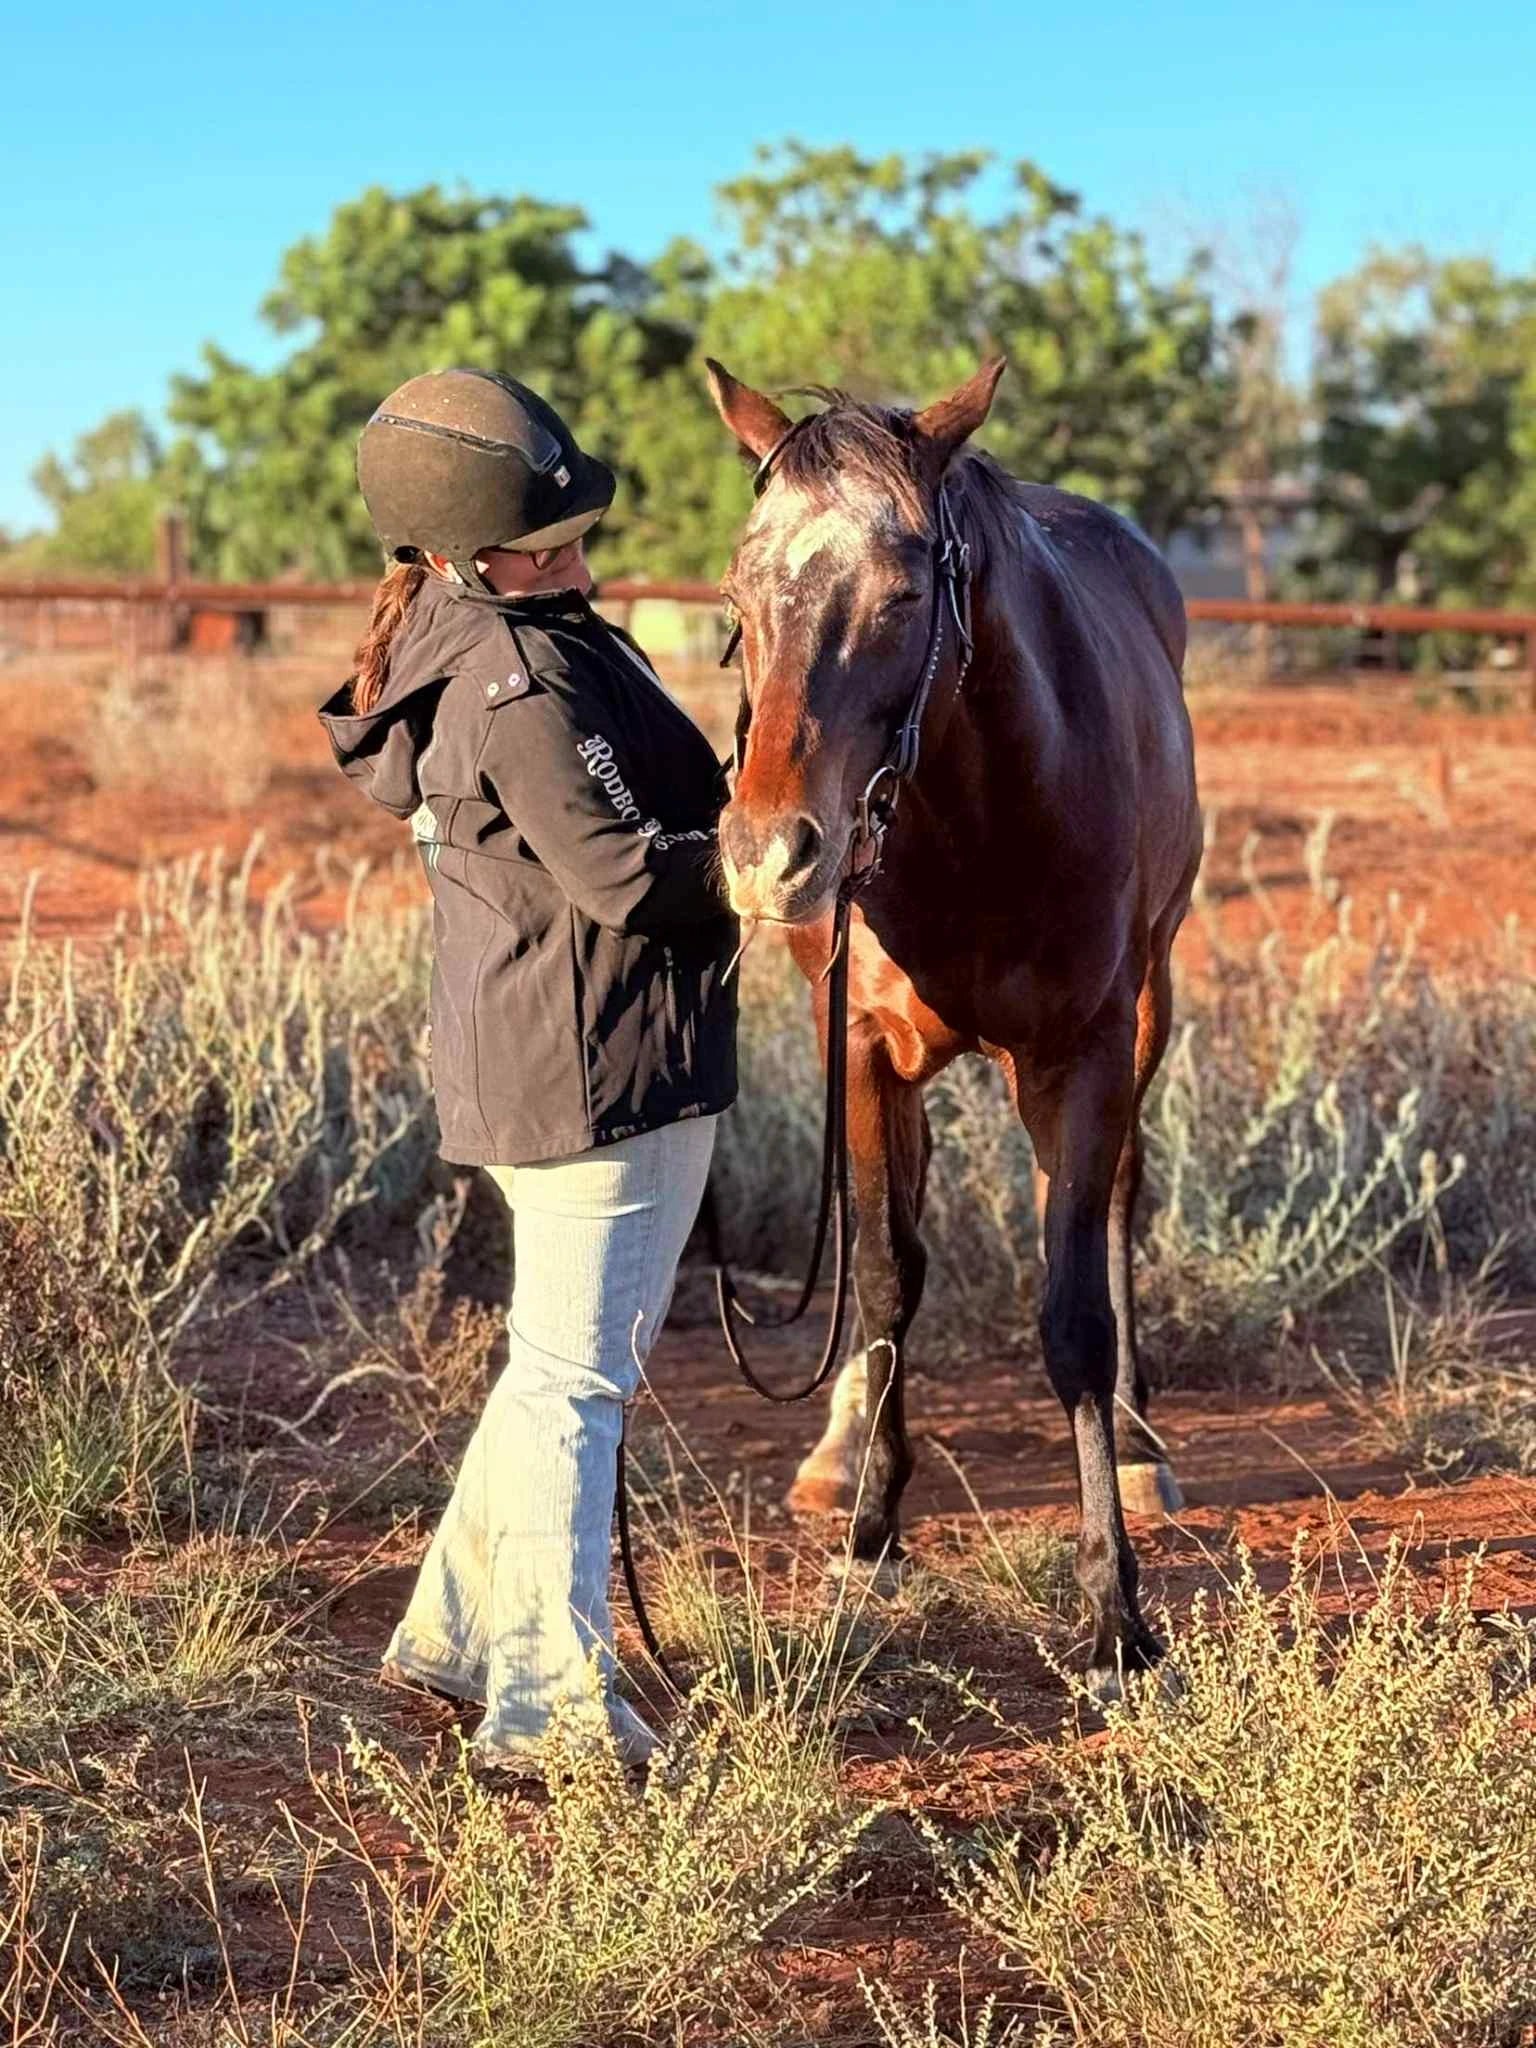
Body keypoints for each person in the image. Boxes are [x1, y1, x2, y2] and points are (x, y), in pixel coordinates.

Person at [319, 368, 737, 1769]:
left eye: (572, 535)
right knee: (579, 1386)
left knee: (549, 1366)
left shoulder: (494, 630)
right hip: (593, 1072)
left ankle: (450, 1634)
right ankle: (550, 1709)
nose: (571, 562)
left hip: (547, 1054)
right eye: (537, 548)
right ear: (449, 555)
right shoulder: (520, 682)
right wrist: (785, 866)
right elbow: (625, 872)